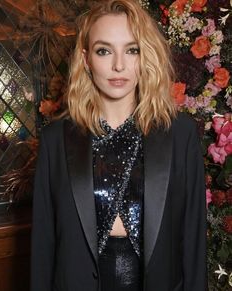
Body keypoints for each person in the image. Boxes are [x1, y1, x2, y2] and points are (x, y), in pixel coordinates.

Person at [31, 1, 208, 290]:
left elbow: (193, 240)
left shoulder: (180, 134)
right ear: (86, 59)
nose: (119, 65)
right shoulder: (55, 140)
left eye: (132, 49)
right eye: (104, 50)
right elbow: (43, 246)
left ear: (145, 55)